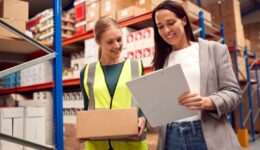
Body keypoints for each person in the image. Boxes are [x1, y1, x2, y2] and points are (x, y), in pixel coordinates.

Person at [151, 1, 242, 150]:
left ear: (184, 21)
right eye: (160, 27)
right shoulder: (162, 60)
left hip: (205, 134)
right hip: (172, 136)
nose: (166, 30)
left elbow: (234, 93)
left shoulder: (214, 50)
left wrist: (208, 102)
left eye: (171, 23)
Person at [80, 17, 148, 150]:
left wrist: (143, 118)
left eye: (119, 39)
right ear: (98, 42)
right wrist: (84, 127)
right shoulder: (87, 72)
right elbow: (88, 107)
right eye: (110, 42)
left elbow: (144, 104)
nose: (117, 46)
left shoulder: (136, 66)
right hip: (98, 145)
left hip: (131, 144)